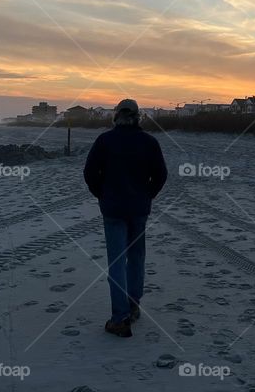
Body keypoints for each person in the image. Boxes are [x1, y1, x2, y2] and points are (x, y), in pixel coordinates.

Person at [83, 99, 167, 338]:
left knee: (117, 262)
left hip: (113, 210)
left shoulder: (105, 141)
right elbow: (160, 175)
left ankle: (120, 318)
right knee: (137, 257)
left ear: (116, 116)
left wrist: (103, 195)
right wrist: (146, 196)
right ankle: (132, 305)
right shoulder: (149, 142)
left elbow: (90, 173)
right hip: (138, 209)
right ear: (138, 117)